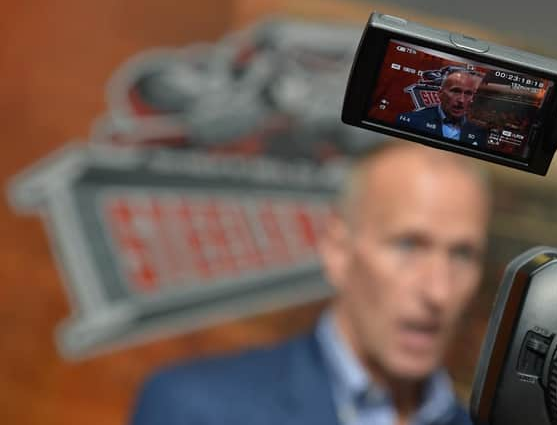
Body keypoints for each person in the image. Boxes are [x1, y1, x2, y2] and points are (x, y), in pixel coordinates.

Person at [130, 140, 491, 425]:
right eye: (408, 245)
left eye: (462, 255)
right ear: (338, 251)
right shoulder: (195, 410)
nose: (438, 291)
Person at [397, 70, 487, 147]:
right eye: (455, 91)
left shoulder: (480, 131)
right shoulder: (412, 121)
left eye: (468, 93)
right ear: (440, 94)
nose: (461, 100)